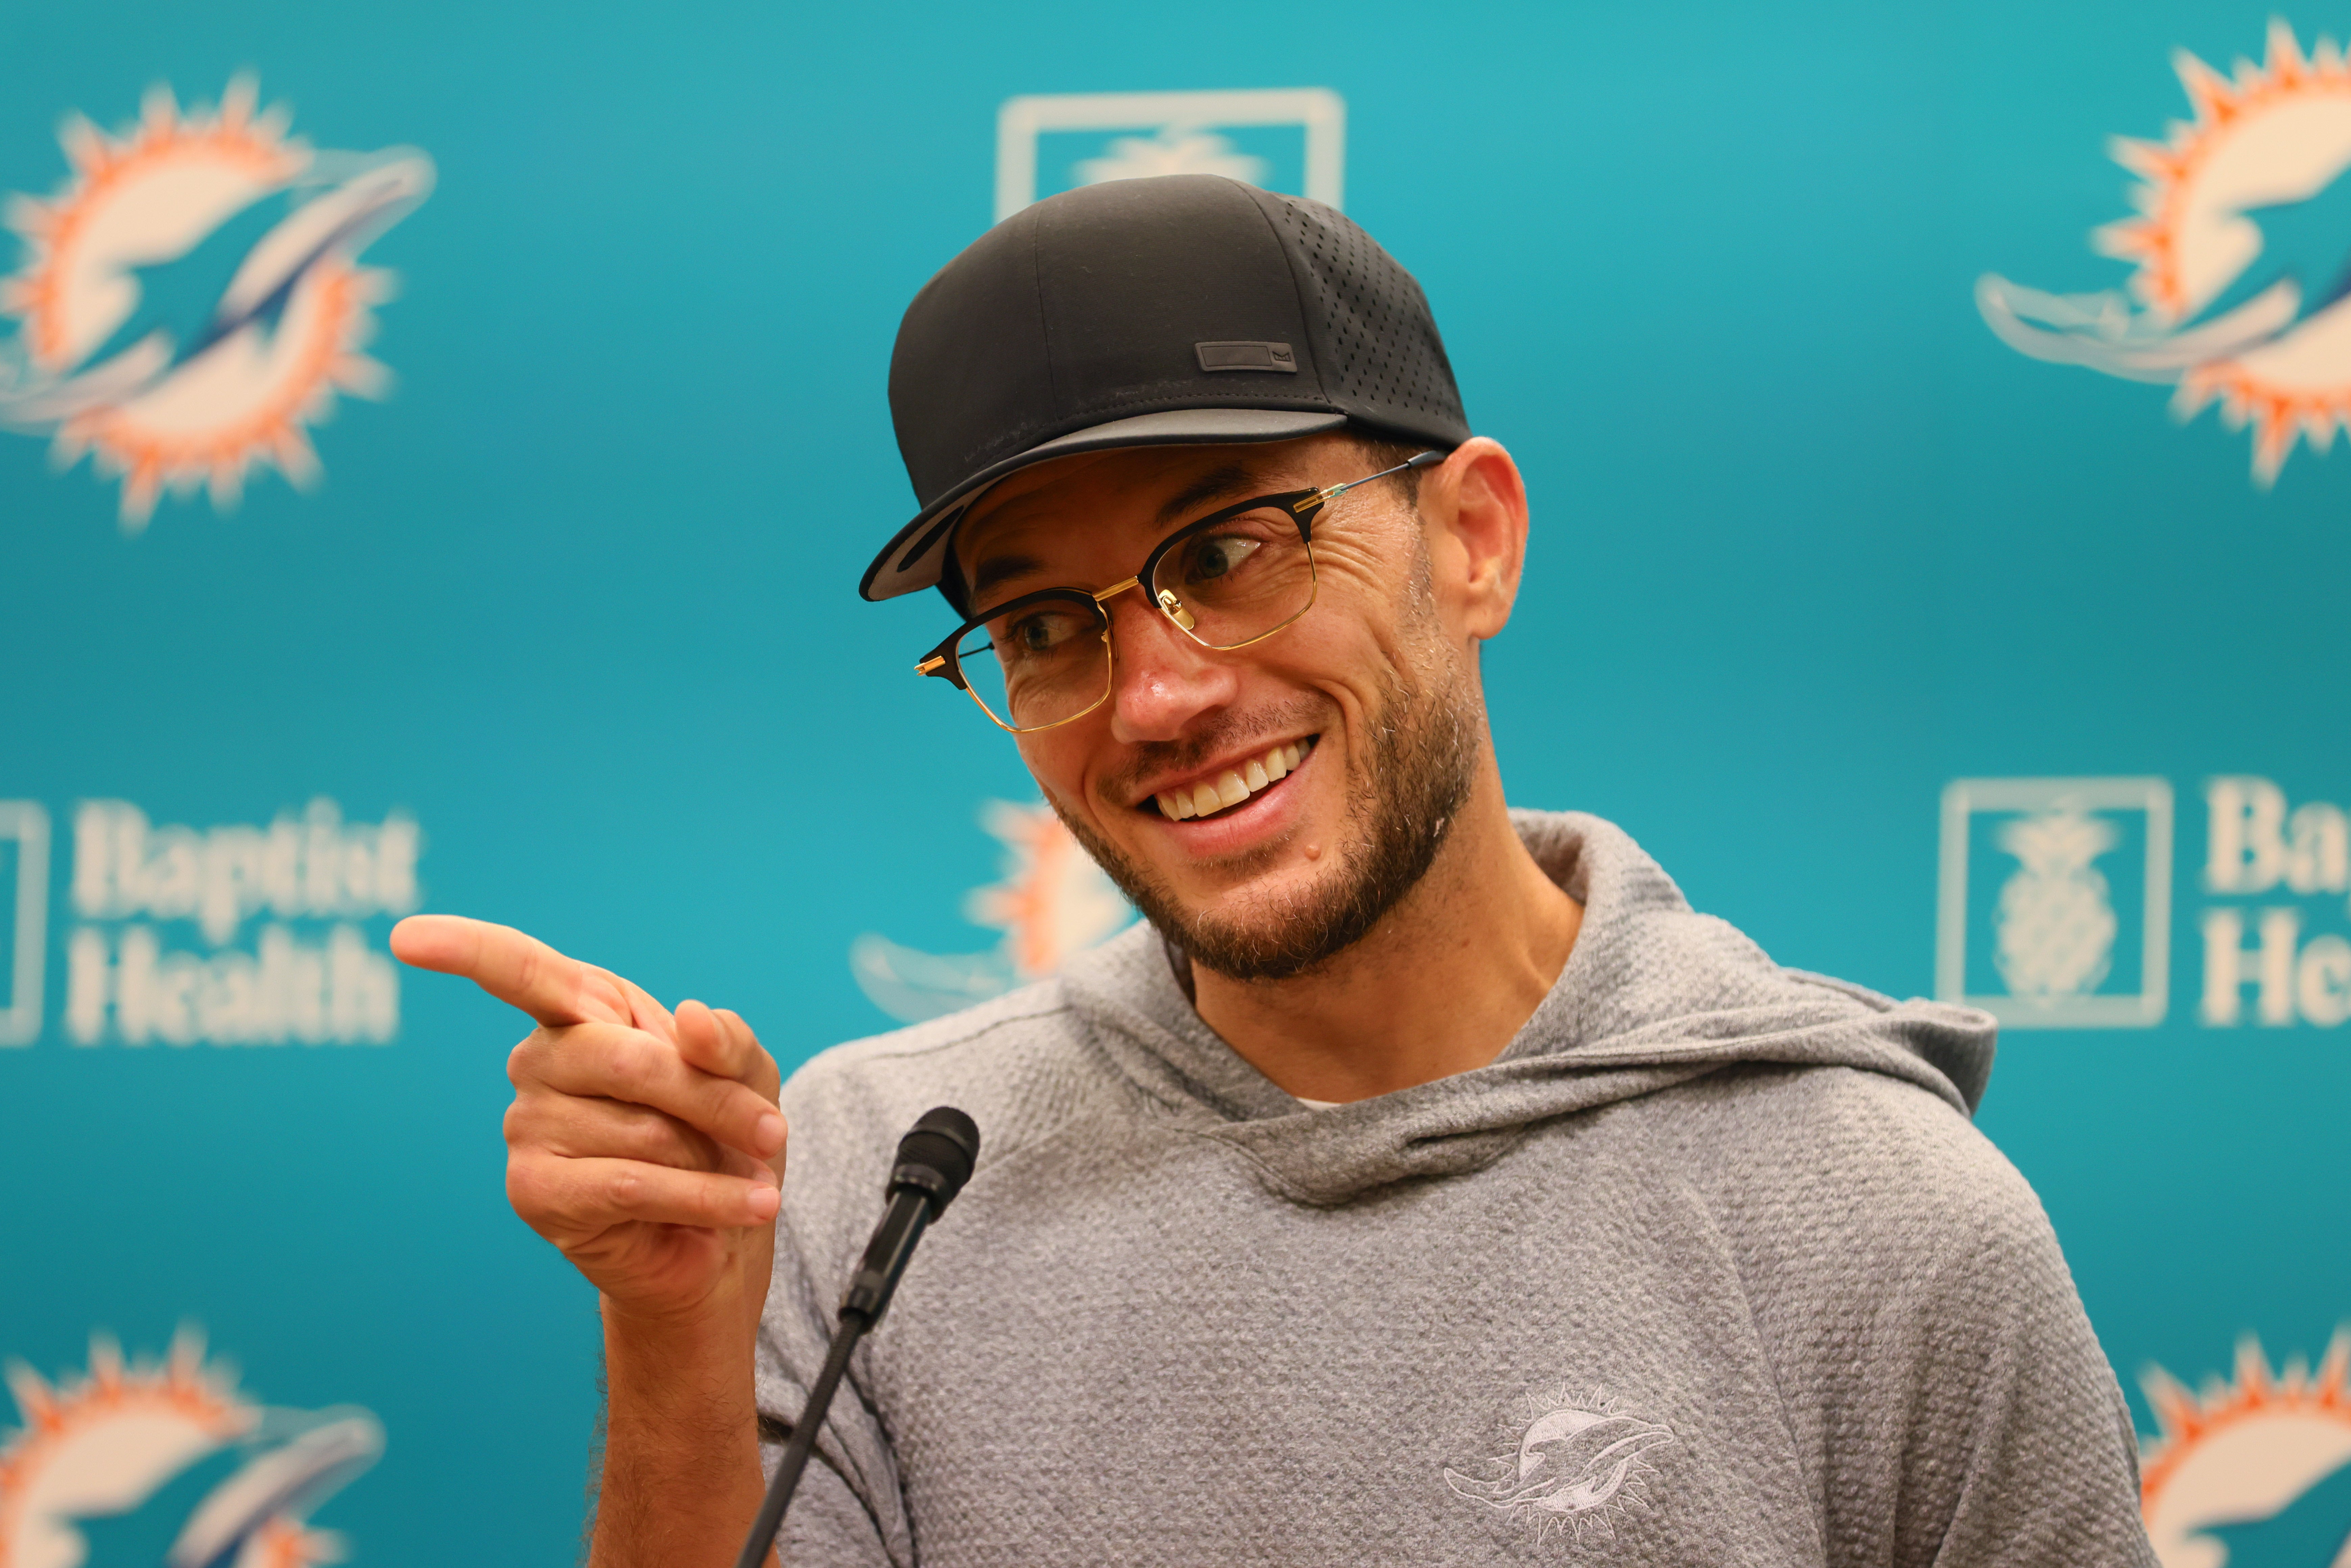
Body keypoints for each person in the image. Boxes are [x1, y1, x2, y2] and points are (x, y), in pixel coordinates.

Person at [393, 174, 2158, 1567]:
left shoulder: (1878, 1219)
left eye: (1232, 546)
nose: (1158, 693)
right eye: (1043, 622)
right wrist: (678, 1337)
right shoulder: (872, 1179)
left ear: (1470, 540)